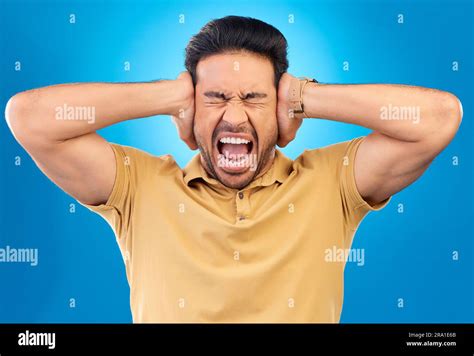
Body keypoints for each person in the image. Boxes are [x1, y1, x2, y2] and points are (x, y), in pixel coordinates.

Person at [5, 16, 462, 322]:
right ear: (191, 109)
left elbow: (439, 119)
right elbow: (28, 118)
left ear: (280, 108)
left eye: (255, 98)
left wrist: (303, 96)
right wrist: (167, 95)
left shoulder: (332, 182)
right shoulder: (137, 187)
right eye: (216, 97)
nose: (236, 116)